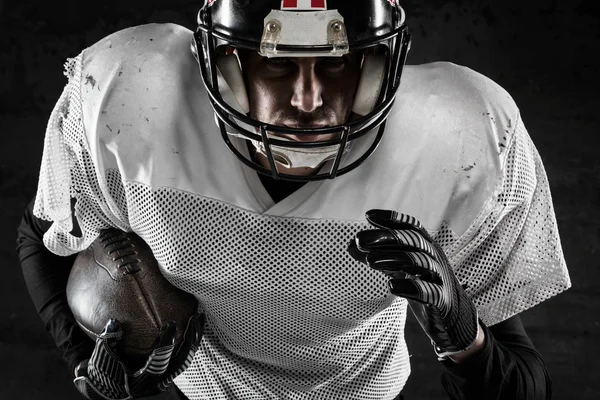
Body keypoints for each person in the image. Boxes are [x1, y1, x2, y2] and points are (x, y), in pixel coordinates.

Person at [16, 0, 572, 399]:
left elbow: (529, 384)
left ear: (373, 66)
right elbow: (40, 235)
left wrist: (465, 336)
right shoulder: (131, 95)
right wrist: (86, 361)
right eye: (277, 62)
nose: (307, 101)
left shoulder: (458, 136)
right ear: (226, 63)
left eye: (334, 63)